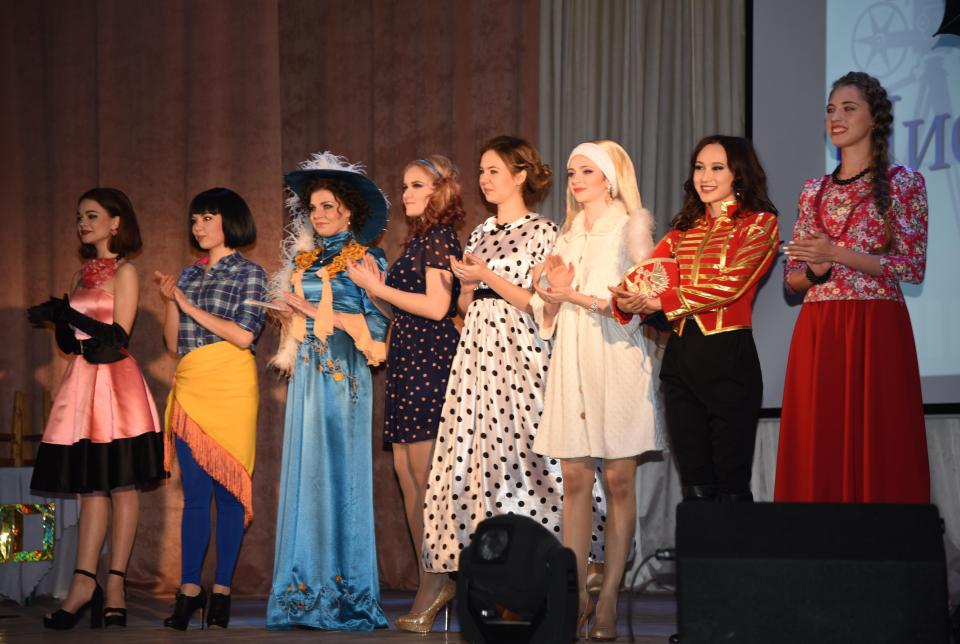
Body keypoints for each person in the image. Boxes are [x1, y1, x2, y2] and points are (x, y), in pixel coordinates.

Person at [421, 135, 605, 617]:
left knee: (527, 456)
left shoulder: (544, 231)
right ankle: (491, 574)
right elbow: (468, 306)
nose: (485, 180)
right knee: (475, 456)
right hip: (476, 351)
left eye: (494, 171)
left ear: (521, 176)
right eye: (481, 171)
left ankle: (549, 566)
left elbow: (537, 303)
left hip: (520, 352)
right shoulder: (479, 233)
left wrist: (486, 277)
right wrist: (466, 289)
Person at [530, 140, 664, 640]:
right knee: (574, 478)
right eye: (571, 172)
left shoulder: (631, 227)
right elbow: (547, 313)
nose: (576, 180)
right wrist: (548, 295)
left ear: (609, 178)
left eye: (586, 171)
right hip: (573, 359)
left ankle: (608, 596)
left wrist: (575, 295)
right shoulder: (566, 235)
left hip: (617, 360)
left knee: (620, 479)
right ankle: (575, 597)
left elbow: (639, 304)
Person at [775, 71, 930, 503]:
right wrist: (817, 270)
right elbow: (793, 280)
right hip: (820, 327)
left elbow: (912, 266)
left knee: (881, 436)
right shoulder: (813, 190)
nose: (836, 117)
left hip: (876, 324)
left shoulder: (904, 183)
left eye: (848, 108)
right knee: (820, 435)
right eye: (830, 110)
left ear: (874, 119)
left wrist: (838, 254)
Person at [610, 135, 780, 504]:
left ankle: (733, 544)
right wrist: (628, 298)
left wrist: (661, 301)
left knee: (731, 485)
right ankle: (698, 544)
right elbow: (645, 279)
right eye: (700, 167)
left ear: (739, 174)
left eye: (717, 168)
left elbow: (730, 286)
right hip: (681, 360)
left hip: (729, 357)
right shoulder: (680, 233)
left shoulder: (759, 225)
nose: (705, 176)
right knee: (694, 484)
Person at [28, 187, 165, 630]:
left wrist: (67, 314)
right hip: (83, 383)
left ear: (115, 222)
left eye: (91, 215)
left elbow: (116, 339)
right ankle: (83, 585)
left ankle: (116, 585)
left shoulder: (126, 272)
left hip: (116, 384)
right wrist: (59, 321)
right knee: (90, 489)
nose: (82, 223)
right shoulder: (79, 274)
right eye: (79, 217)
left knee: (122, 485)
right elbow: (73, 346)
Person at [265, 152, 390, 631]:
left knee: (341, 474)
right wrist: (289, 315)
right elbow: (300, 322)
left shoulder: (366, 259)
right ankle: (303, 593)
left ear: (349, 211)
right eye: (313, 208)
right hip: (308, 375)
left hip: (344, 374)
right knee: (308, 474)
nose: (318, 215)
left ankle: (346, 596)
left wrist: (318, 313)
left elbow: (378, 326)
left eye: (328, 207)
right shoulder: (305, 260)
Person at [345, 155, 463, 633]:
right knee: (408, 477)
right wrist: (372, 290)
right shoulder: (418, 240)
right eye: (405, 185)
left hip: (432, 361)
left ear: (440, 191)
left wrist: (377, 286)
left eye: (417, 185)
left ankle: (437, 582)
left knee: (427, 480)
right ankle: (431, 578)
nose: (406, 194)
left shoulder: (440, 238)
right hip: (408, 360)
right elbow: (405, 311)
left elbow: (436, 307)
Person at [155, 188, 267, 630]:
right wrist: (172, 302)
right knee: (195, 496)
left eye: (208, 217)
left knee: (230, 493)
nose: (199, 226)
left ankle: (221, 591)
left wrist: (186, 305)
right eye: (195, 218)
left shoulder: (250, 272)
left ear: (230, 221)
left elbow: (244, 335)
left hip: (232, 385)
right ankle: (189, 590)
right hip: (192, 383)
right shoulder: (187, 274)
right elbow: (172, 343)